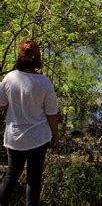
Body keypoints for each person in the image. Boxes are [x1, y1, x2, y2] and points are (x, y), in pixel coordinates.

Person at [0, 40, 60, 205]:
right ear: (38, 59)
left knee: (11, 175)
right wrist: (56, 136)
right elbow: (52, 114)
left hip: (14, 138)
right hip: (37, 139)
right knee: (34, 180)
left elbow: (2, 104)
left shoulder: (9, 78)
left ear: (20, 57)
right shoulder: (44, 82)